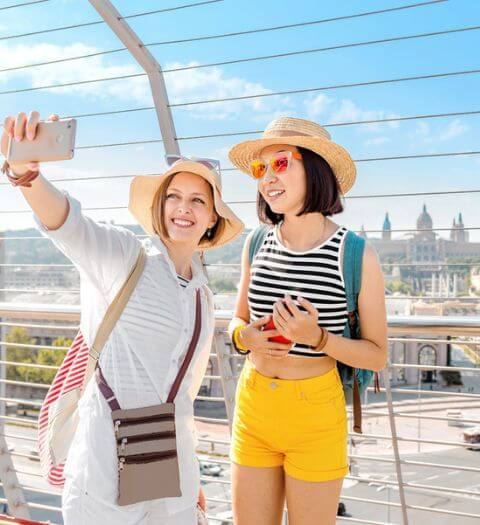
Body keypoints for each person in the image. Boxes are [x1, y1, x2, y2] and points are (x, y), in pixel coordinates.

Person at [2, 111, 244, 524]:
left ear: (211, 221)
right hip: (102, 476)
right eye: (173, 196)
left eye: (198, 200)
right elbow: (67, 223)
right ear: (158, 206)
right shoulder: (124, 256)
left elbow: (183, 393)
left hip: (173, 476)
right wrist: (27, 175)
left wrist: (189, 472)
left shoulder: (203, 292)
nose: (183, 209)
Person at [226, 117, 388, 525]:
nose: (267, 179)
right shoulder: (257, 242)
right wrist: (244, 337)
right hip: (254, 403)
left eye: (281, 164)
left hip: (315, 413)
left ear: (316, 168)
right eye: (261, 169)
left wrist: (316, 338)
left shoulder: (354, 254)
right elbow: (237, 319)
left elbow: (376, 356)